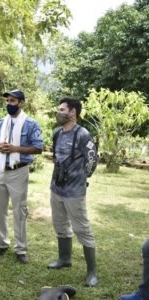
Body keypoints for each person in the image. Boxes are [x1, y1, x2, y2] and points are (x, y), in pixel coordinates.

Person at [47, 97, 99, 287]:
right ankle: (64, 259)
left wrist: (81, 178)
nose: (58, 112)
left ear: (72, 112)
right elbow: (56, 156)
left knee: (82, 229)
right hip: (56, 187)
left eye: (62, 109)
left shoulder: (83, 134)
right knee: (60, 224)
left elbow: (92, 159)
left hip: (75, 191)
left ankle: (92, 272)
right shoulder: (57, 133)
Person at [0, 89, 43, 264]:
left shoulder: (30, 124)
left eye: (13, 101)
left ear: (21, 103)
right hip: (0, 169)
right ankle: (2, 243)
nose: (9, 104)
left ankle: (21, 249)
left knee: (19, 211)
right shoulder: (1, 122)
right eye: (7, 101)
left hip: (19, 171)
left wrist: (15, 149)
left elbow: (38, 147)